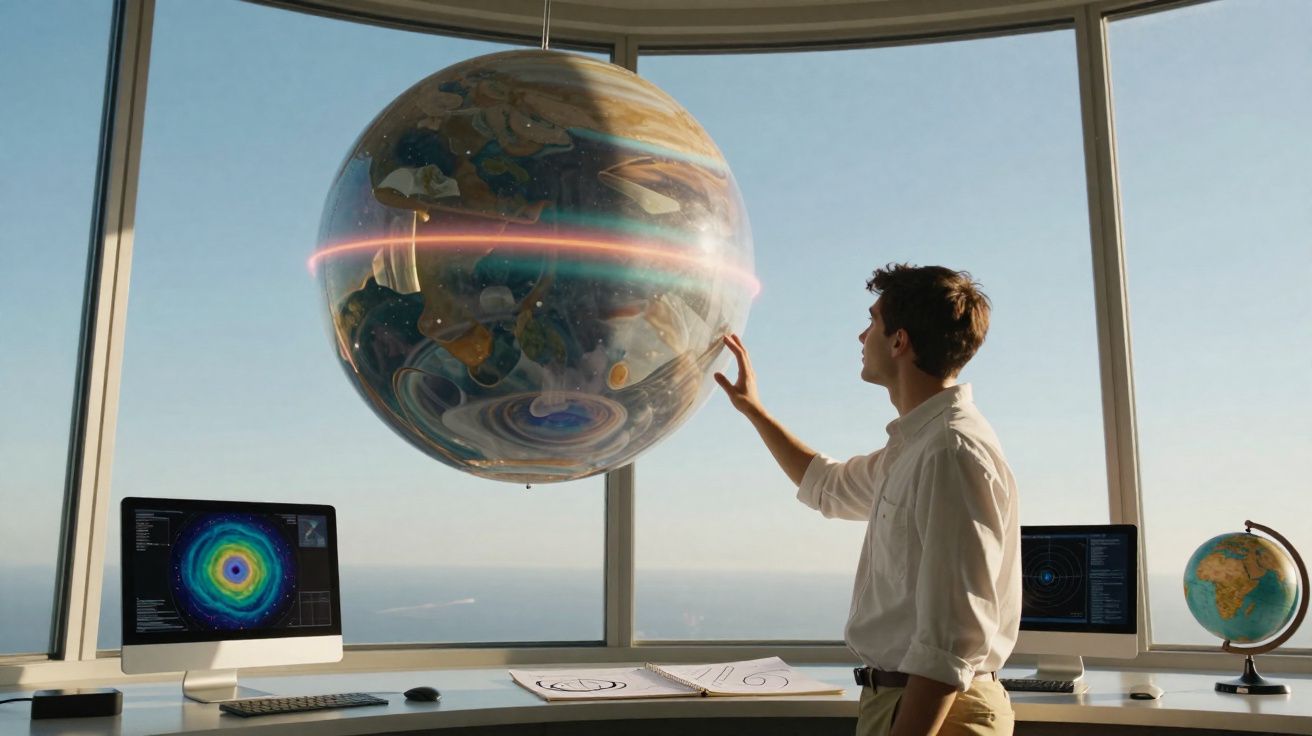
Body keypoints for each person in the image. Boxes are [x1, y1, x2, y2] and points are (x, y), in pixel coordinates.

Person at [714, 263, 1021, 736]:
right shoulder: (917, 446)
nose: (862, 336)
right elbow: (828, 486)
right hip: (907, 703)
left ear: (899, 341)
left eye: (872, 322)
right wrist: (754, 410)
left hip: (941, 714)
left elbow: (951, 642)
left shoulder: (950, 452)